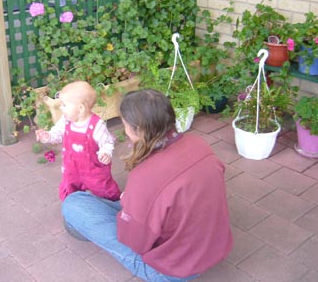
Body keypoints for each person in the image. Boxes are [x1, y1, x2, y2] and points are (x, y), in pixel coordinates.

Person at [62, 89, 233, 282]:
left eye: (125, 125)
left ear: (138, 130)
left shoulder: (145, 176)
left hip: (172, 271)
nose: (124, 132)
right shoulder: (199, 144)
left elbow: (136, 243)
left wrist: (132, 207)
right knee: (122, 204)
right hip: (213, 248)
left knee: (73, 204)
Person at [36, 81, 121, 201]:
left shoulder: (96, 125)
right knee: (70, 188)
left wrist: (105, 152)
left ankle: (113, 204)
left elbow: (107, 142)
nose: (61, 108)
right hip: (72, 169)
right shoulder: (66, 120)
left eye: (64, 105)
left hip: (94, 170)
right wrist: (48, 136)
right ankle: (73, 205)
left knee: (103, 188)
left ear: (80, 108)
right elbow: (57, 133)